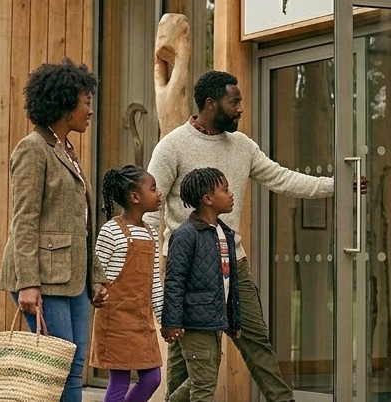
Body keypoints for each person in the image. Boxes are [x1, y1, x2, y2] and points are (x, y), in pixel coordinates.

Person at [145, 70, 367, 401]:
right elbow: (151, 212)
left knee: (256, 339)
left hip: (234, 262)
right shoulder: (172, 147)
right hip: (187, 266)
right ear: (210, 103)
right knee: (185, 354)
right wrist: (151, 277)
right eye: (234, 101)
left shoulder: (242, 146)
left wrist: (335, 186)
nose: (240, 108)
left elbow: (282, 178)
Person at [0, 58, 109, 402]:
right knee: (57, 370)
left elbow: (81, 223)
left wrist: (97, 276)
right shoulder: (32, 149)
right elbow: (24, 219)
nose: (91, 110)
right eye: (86, 102)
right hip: (41, 278)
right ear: (64, 103)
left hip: (73, 278)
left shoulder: (66, 149)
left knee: (73, 366)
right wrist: (28, 282)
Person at [161, 167, 242, 402]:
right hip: (194, 323)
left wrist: (233, 319)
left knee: (199, 379)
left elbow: (229, 283)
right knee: (204, 387)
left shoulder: (224, 233)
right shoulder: (186, 235)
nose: (231, 194)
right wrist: (171, 322)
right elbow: (174, 281)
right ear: (207, 199)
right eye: (224, 190)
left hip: (212, 321)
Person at [90, 165, 164, 402]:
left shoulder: (152, 233)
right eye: (153, 189)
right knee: (119, 381)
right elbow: (96, 272)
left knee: (152, 378)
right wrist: (96, 292)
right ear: (135, 197)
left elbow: (154, 283)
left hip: (142, 321)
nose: (159, 193)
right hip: (116, 320)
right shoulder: (111, 231)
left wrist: (165, 319)